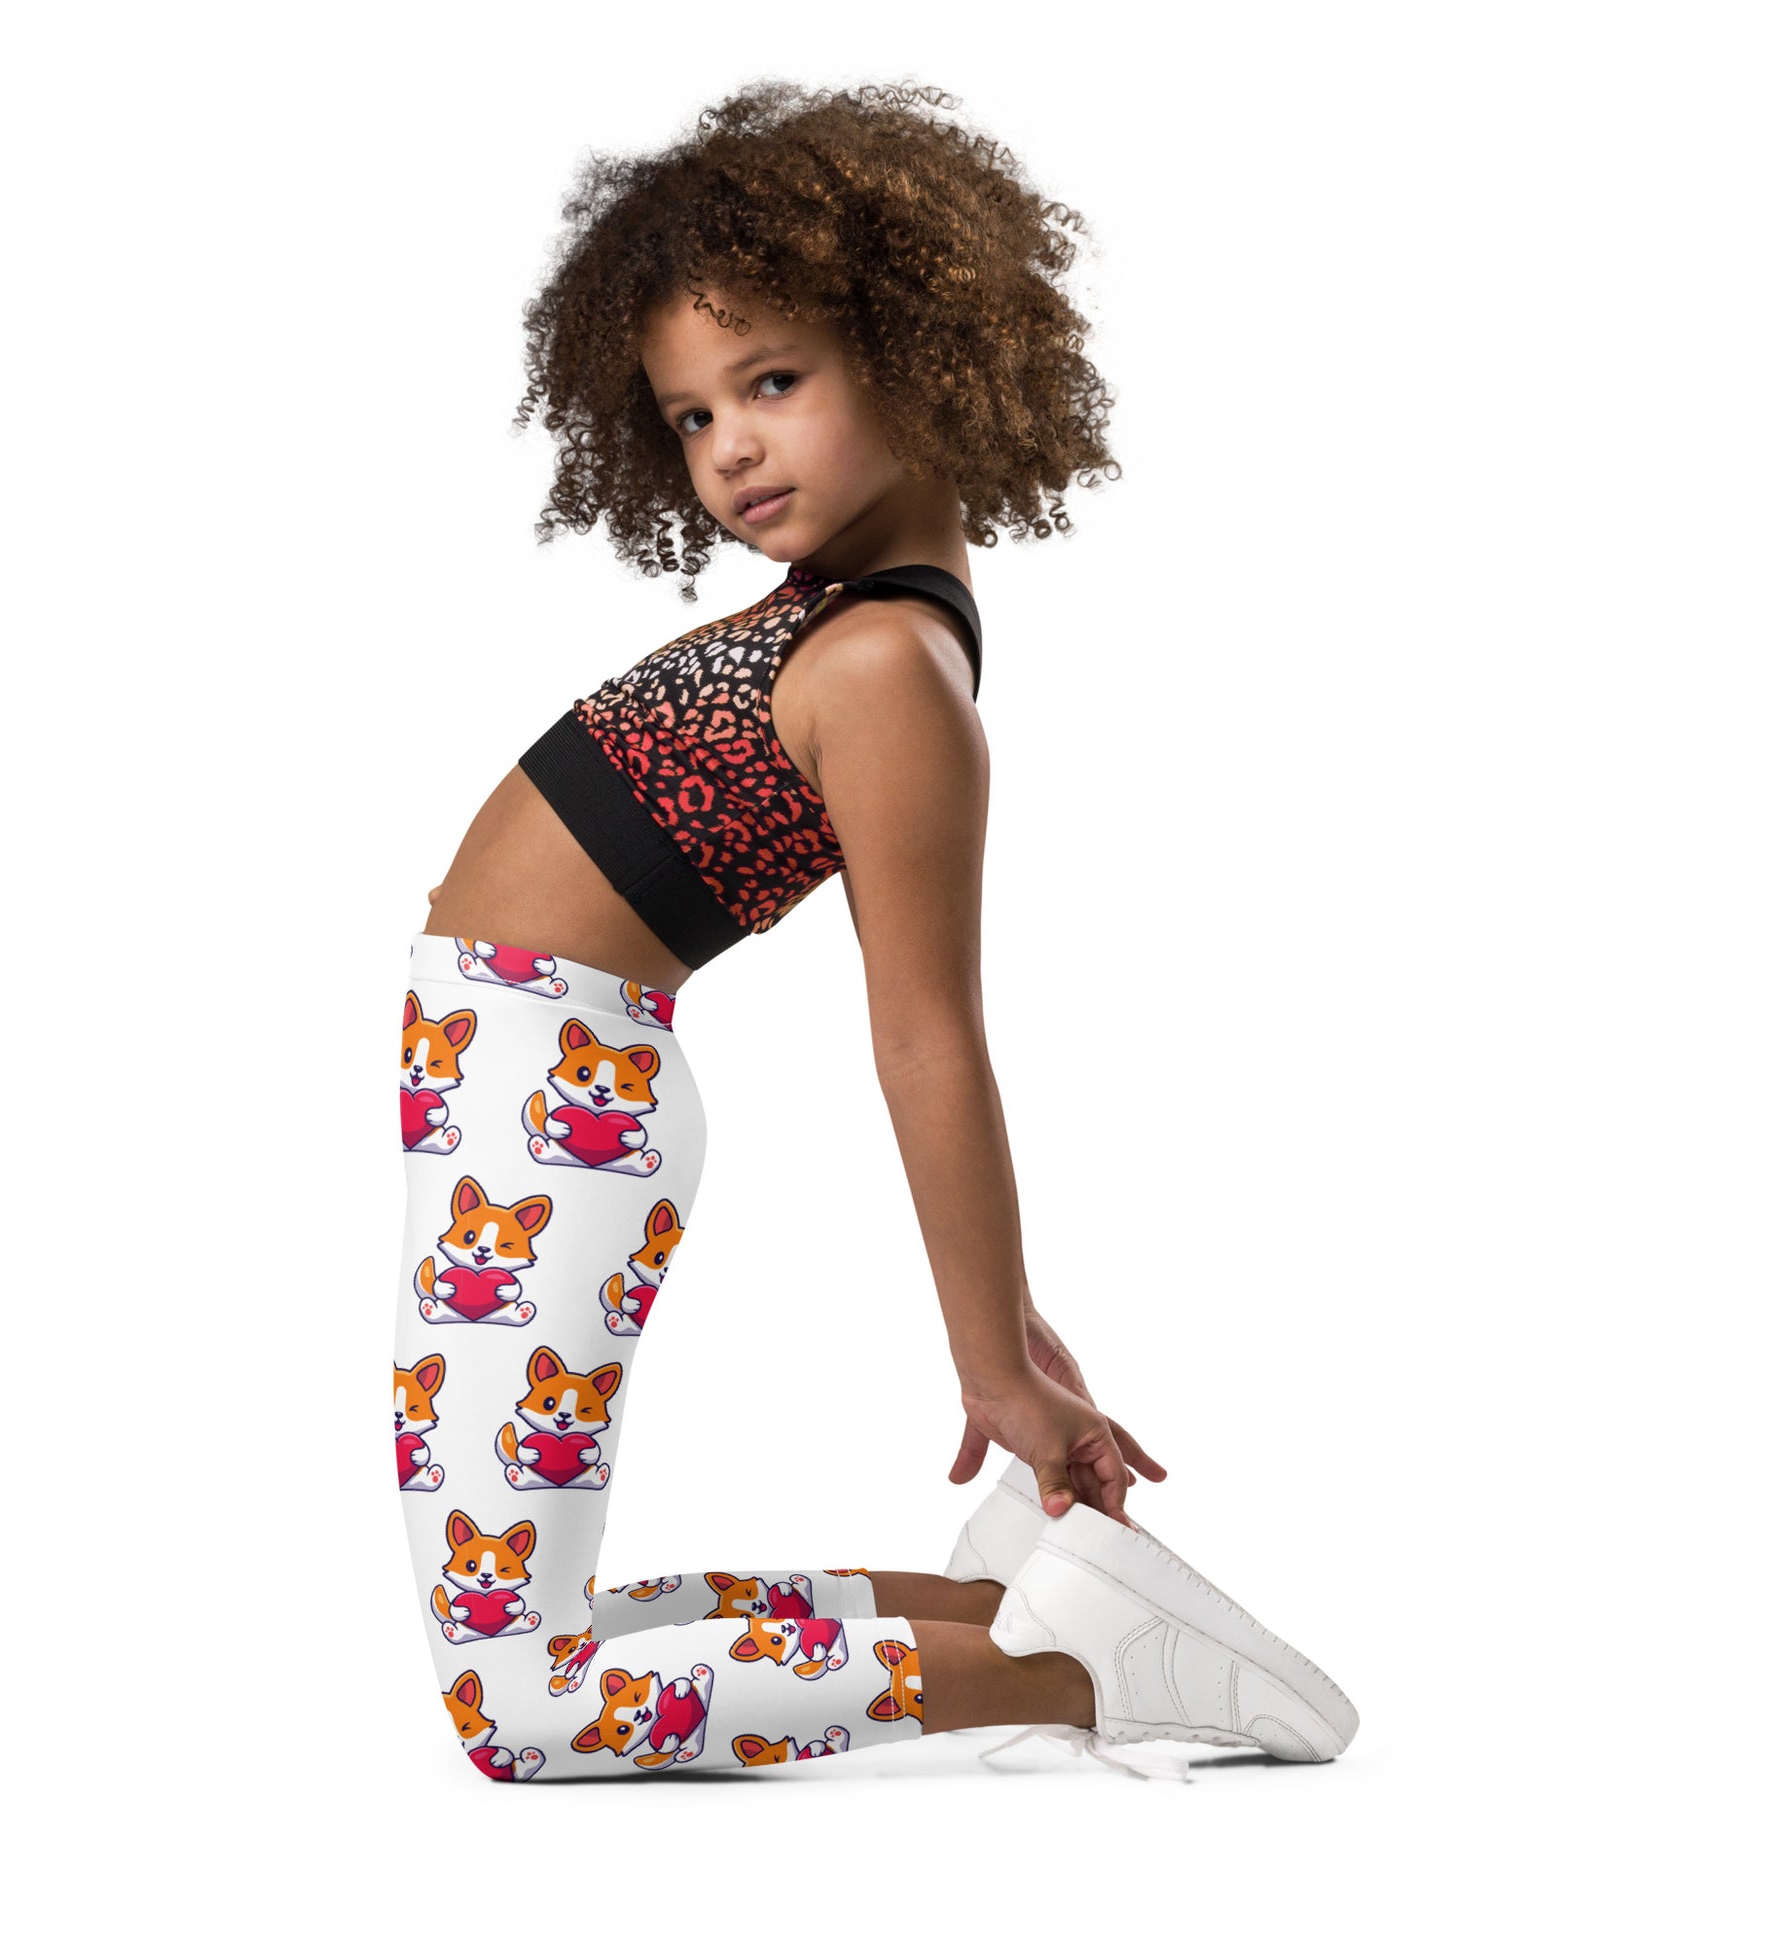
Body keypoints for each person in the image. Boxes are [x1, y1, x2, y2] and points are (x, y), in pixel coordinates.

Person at [395, 78, 1357, 1782]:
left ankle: (1083, 1677)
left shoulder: (882, 667)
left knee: (518, 1702)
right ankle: (1013, 1609)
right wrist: (1016, 1327)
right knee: (554, 1638)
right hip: (523, 1092)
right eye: (690, 415)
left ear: (920, 353)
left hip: (546, 1115)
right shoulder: (852, 620)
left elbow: (925, 1032)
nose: (728, 448)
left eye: (772, 382)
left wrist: (990, 1357)